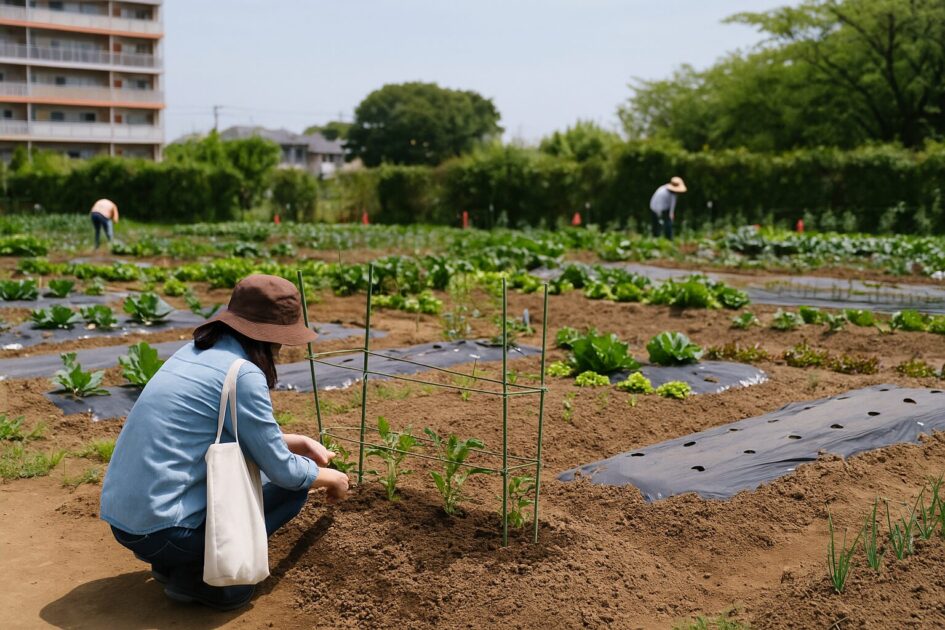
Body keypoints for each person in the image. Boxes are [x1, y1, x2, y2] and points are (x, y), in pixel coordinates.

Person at [100, 274, 350, 611]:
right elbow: (284, 473)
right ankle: (203, 581)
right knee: (292, 489)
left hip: (126, 521)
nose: (279, 350)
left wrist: (297, 441)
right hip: (162, 532)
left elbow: (211, 435)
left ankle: (172, 565)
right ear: (268, 336)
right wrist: (332, 477)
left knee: (250, 474)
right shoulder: (243, 373)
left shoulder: (191, 352)